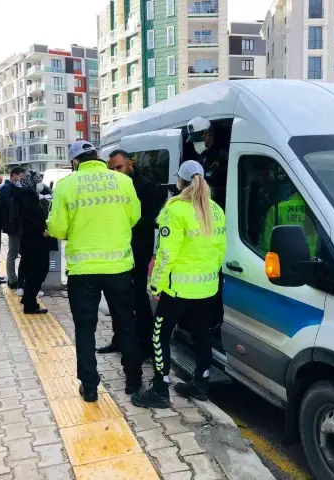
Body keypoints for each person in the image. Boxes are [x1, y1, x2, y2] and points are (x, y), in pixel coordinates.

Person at [47, 141, 143, 403]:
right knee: (125, 322)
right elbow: (135, 217)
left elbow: (57, 229)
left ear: (75, 162)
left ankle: (89, 386)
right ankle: (133, 381)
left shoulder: (67, 185)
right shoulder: (123, 182)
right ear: (97, 158)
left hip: (83, 272)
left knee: (85, 329)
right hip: (119, 267)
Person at [132, 160, 226, 409]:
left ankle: (161, 389)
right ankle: (201, 384)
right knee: (201, 335)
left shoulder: (174, 209)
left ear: (180, 182)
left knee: (159, 335)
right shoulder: (215, 209)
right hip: (206, 289)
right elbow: (219, 252)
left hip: (177, 290)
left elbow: (165, 254)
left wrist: (155, 285)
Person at [99, 150, 168, 360]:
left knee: (138, 298)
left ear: (130, 163)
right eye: (111, 169)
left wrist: (127, 222)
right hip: (118, 248)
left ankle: (145, 346)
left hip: (139, 248)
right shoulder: (112, 185)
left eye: (119, 167)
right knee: (116, 296)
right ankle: (118, 340)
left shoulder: (147, 185)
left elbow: (155, 218)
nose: (115, 172)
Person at [186, 116, 228, 339]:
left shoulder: (222, 157)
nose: (195, 143)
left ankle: (214, 322)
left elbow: (221, 191)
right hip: (201, 226)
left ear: (209, 134)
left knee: (217, 280)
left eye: (199, 138)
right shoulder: (200, 158)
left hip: (218, 226)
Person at [12, 171, 52, 314]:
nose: (41, 183)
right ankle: (29, 303)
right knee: (38, 272)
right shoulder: (28, 197)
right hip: (35, 242)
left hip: (30, 241)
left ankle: (30, 301)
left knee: (33, 273)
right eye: (38, 180)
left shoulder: (26, 195)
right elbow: (30, 219)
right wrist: (42, 230)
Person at [0, 166, 26, 290]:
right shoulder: (6, 188)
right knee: (13, 253)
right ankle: (12, 279)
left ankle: (21, 278)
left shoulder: (14, 187)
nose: (21, 178)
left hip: (20, 226)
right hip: (13, 227)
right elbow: (8, 206)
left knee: (22, 253)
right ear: (14, 175)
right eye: (20, 176)